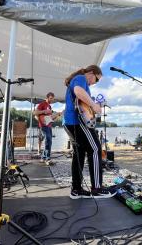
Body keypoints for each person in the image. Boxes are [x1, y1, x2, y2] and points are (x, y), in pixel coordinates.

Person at [63, 65, 114, 199]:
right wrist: (94, 105)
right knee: (95, 150)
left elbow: (82, 104)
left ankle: (76, 189)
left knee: (79, 155)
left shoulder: (79, 81)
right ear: (91, 73)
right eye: (96, 80)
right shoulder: (80, 78)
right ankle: (97, 188)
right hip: (77, 123)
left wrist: (94, 106)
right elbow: (78, 91)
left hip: (69, 122)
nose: (94, 83)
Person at [33, 92, 58, 165]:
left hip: (49, 126)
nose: (52, 100)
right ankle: (47, 158)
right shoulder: (42, 104)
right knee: (48, 140)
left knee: (49, 141)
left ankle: (43, 158)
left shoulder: (49, 106)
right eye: (50, 98)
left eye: (52, 99)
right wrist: (44, 111)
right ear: (47, 98)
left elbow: (49, 118)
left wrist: (56, 116)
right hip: (43, 126)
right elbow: (35, 113)